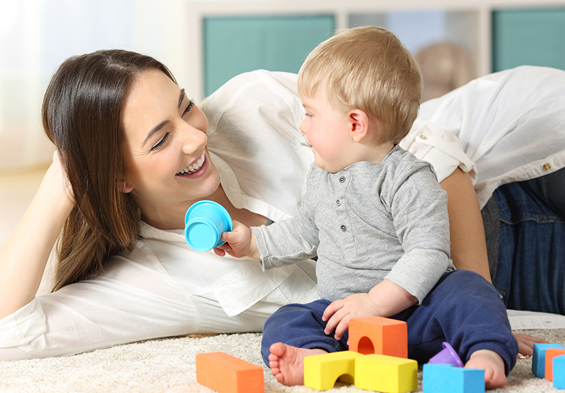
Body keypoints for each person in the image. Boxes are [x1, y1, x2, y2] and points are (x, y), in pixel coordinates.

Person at [0, 48, 558, 364]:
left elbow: (436, 157)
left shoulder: (255, 103)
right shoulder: (150, 279)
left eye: (184, 107)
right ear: (116, 177)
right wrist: (60, 184)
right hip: (518, 274)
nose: (195, 138)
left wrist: (480, 304)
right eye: (160, 138)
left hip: (507, 178)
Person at [217, 26, 518, 389]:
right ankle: (318, 356)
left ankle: (485, 354)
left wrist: (376, 302)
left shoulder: (409, 178)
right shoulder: (320, 177)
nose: (302, 125)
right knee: (287, 318)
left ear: (356, 124)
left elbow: (429, 252)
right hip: (347, 319)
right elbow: (304, 232)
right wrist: (253, 244)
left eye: (311, 114)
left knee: (469, 289)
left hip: (419, 314)